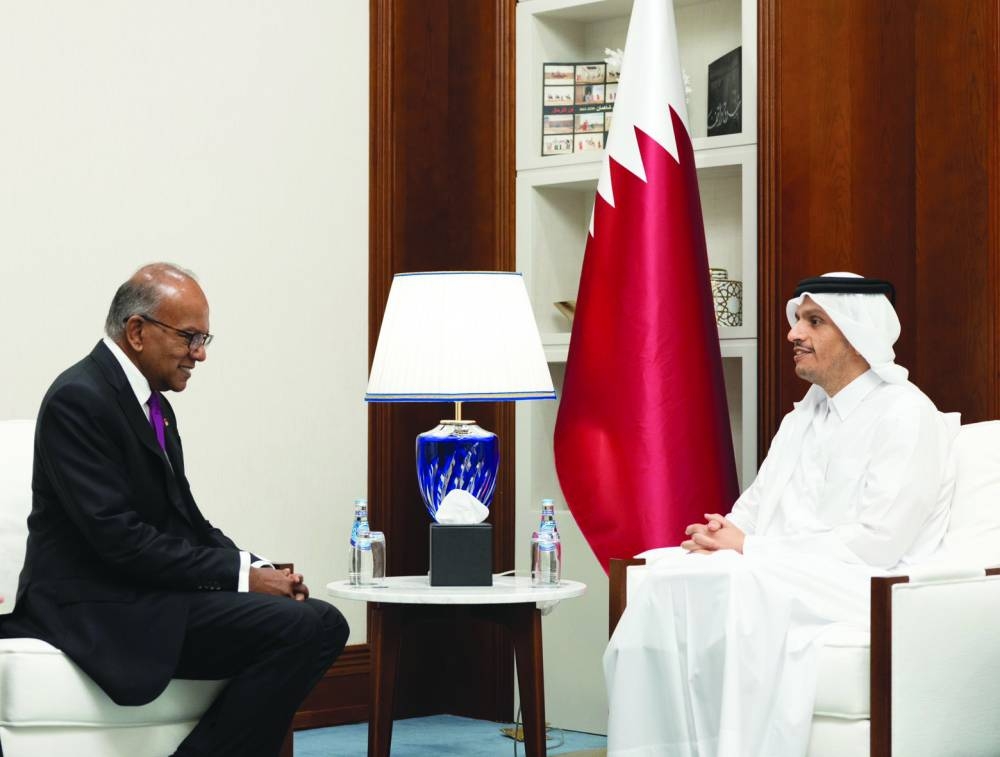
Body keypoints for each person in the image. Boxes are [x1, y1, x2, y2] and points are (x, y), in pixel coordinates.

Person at [0, 263, 348, 757]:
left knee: (316, 620)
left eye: (205, 338)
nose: (200, 354)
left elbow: (186, 521)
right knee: (311, 627)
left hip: (150, 593)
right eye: (189, 337)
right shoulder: (78, 399)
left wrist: (258, 568)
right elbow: (122, 541)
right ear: (137, 331)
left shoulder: (154, 406)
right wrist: (242, 579)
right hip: (98, 605)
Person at [604, 272, 957, 757]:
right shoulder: (801, 418)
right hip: (789, 569)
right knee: (667, 571)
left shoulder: (906, 413)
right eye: (797, 321)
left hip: (869, 582)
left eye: (814, 322)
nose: (793, 334)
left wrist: (750, 547)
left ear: (858, 334)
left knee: (735, 584)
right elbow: (752, 508)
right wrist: (717, 535)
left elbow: (880, 540)